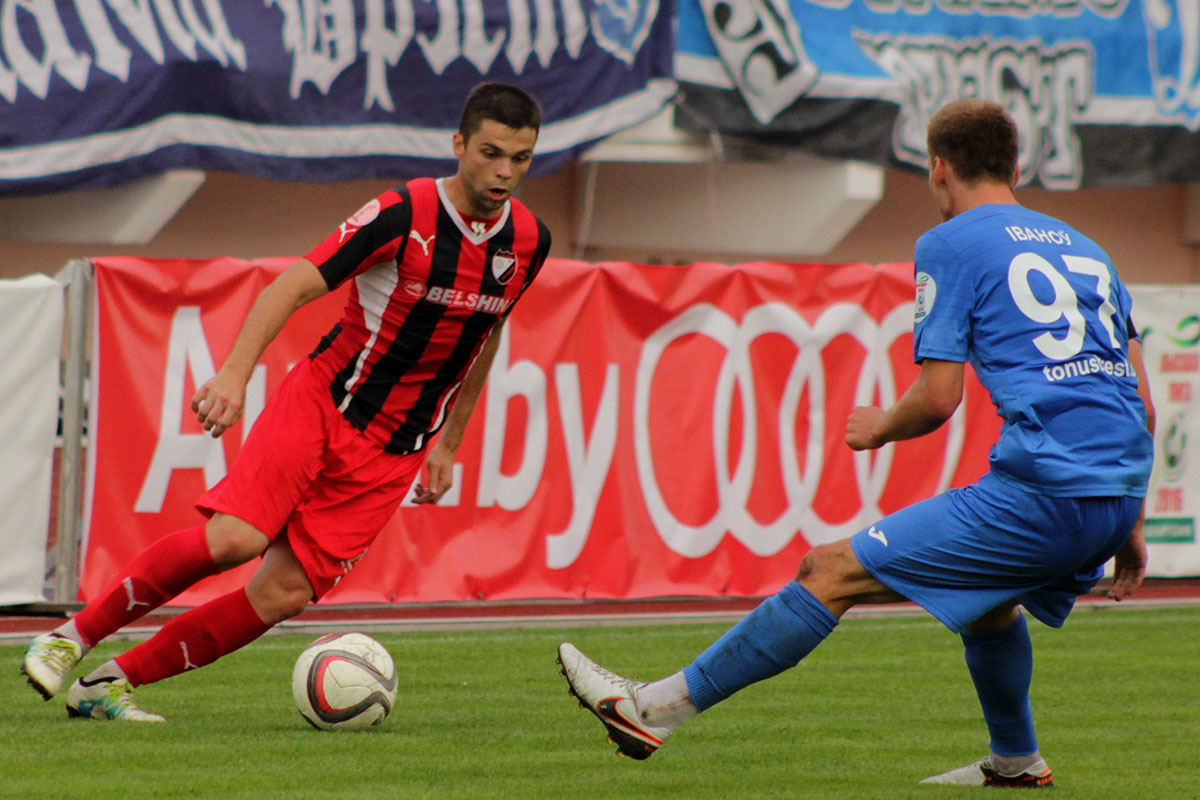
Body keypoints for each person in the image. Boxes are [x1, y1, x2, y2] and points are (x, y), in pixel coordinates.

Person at [556, 98, 1154, 788]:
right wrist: (1130, 524)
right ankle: (1016, 759)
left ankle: (653, 710)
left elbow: (938, 398)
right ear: (1015, 168)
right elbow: (1138, 402)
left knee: (828, 569)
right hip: (1113, 493)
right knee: (990, 603)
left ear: (937, 168)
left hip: (1046, 493)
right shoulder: (1089, 250)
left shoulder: (951, 241)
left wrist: (880, 426)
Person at [23, 82, 551, 722]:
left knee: (283, 593)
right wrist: (234, 376)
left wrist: (450, 443)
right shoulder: (401, 213)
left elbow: (488, 334)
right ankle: (69, 637)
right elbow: (292, 285)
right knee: (235, 540)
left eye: (520, 158)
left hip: (396, 451)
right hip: (325, 401)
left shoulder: (530, 240)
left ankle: (108, 685)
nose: (504, 172)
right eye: (491, 153)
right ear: (459, 144)